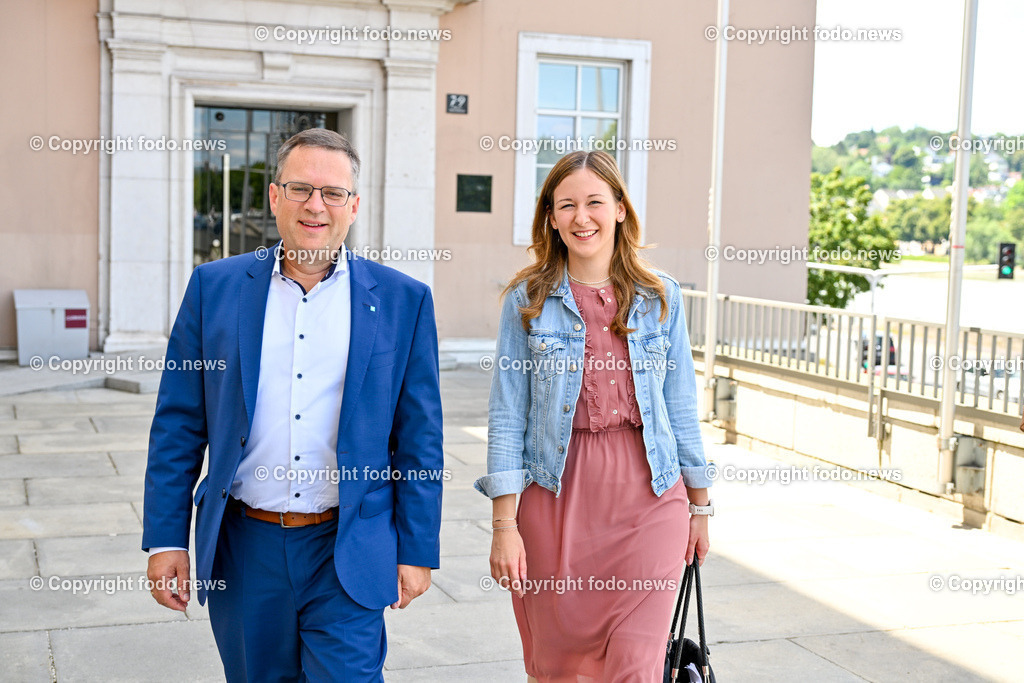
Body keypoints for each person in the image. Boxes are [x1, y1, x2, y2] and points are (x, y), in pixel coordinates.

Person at [143, 128, 443, 682]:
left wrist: (418, 547)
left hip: (347, 546)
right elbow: (179, 424)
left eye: (332, 193)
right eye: (301, 188)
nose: (315, 205)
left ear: (353, 206)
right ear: (276, 197)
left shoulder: (404, 300)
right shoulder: (214, 288)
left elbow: (419, 440)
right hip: (245, 546)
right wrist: (166, 538)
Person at [476, 150, 714, 682]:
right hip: (556, 496)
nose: (582, 217)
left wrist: (700, 507)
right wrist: (503, 526)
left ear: (620, 209)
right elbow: (508, 416)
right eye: (567, 206)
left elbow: (680, 407)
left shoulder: (660, 297)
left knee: (637, 664)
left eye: (594, 203)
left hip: (651, 493)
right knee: (558, 667)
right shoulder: (528, 300)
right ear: (551, 217)